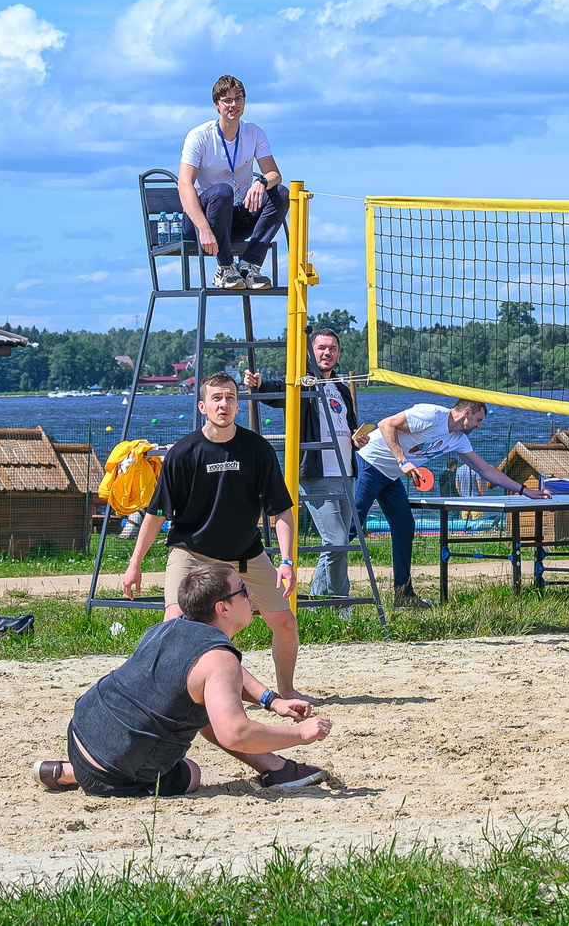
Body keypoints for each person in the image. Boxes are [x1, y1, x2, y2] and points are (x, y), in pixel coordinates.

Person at [37, 559, 331, 796]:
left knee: (203, 704)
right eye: (243, 590)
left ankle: (69, 771)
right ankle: (77, 774)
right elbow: (235, 733)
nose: (251, 594)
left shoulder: (168, 628)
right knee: (191, 772)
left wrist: (272, 700)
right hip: (116, 772)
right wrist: (301, 735)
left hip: (82, 731)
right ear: (223, 608)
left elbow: (212, 675)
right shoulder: (220, 658)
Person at [120, 372, 305, 696]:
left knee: (286, 623)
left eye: (230, 397)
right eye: (217, 398)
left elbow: (282, 512)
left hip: (245, 554)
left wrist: (287, 561)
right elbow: (156, 513)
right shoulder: (183, 453)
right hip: (192, 552)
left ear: (238, 405)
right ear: (202, 406)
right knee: (174, 622)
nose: (224, 404)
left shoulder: (258, 450)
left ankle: (287, 692)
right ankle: (168, 697)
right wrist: (134, 564)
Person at [353, 396, 541, 611]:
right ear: (467, 412)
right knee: (351, 527)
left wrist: (524, 490)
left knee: (404, 527)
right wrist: (403, 461)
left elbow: (485, 470)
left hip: (391, 476)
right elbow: (385, 424)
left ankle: (403, 596)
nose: (480, 426)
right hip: (369, 464)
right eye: (479, 420)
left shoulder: (458, 439)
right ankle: (328, 593)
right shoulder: (432, 414)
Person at [247, 329, 362, 600]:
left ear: (338, 353)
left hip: (346, 473)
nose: (327, 353)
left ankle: (316, 597)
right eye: (321, 348)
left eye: (332, 348)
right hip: (315, 473)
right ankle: (339, 602)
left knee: (335, 542)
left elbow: (349, 426)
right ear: (310, 352)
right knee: (337, 542)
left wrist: (358, 438)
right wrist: (258, 385)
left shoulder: (341, 388)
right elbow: (275, 392)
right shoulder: (302, 382)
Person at [178, 74, 287, 290]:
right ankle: (225, 268)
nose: (233, 105)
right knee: (222, 191)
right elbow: (184, 184)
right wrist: (203, 228)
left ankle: (249, 265)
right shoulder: (199, 136)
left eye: (238, 99)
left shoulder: (254, 132)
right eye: (227, 100)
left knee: (281, 192)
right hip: (202, 222)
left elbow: (275, 174)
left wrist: (262, 182)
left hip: (235, 218)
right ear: (216, 105)